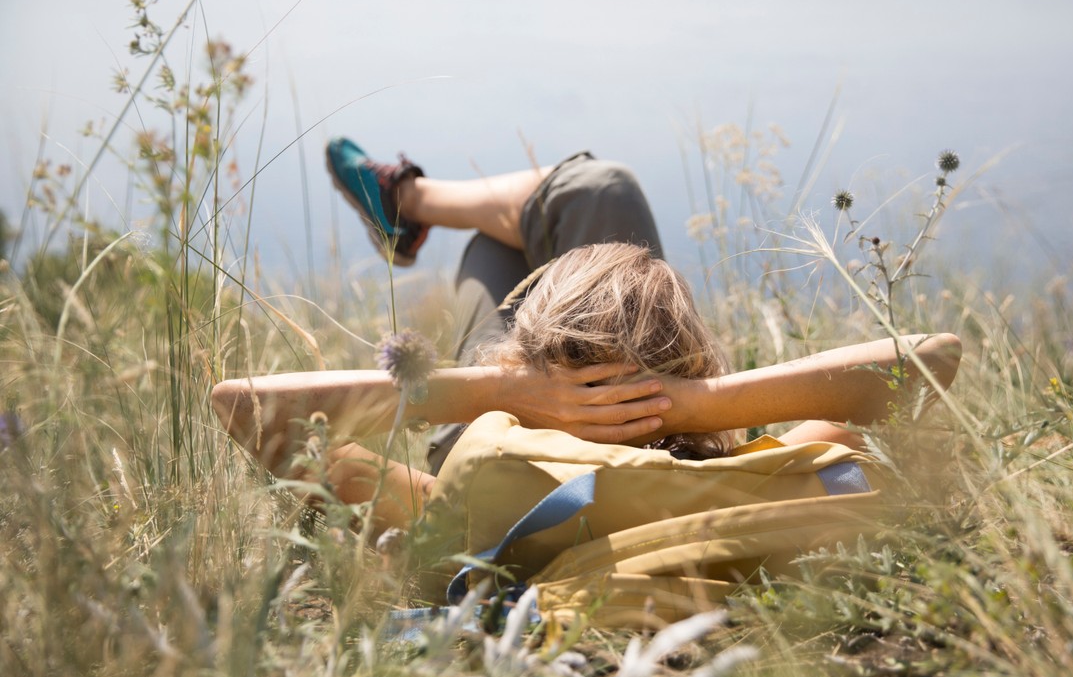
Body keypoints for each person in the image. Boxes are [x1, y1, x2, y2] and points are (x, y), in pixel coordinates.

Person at [211, 139, 962, 536]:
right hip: (663, 432)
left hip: (500, 430)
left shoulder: (469, 503)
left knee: (550, 216)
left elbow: (241, 405)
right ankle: (410, 200)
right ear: (692, 355)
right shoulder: (747, 482)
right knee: (587, 199)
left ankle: (407, 200)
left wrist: (510, 392)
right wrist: (688, 406)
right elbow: (931, 359)